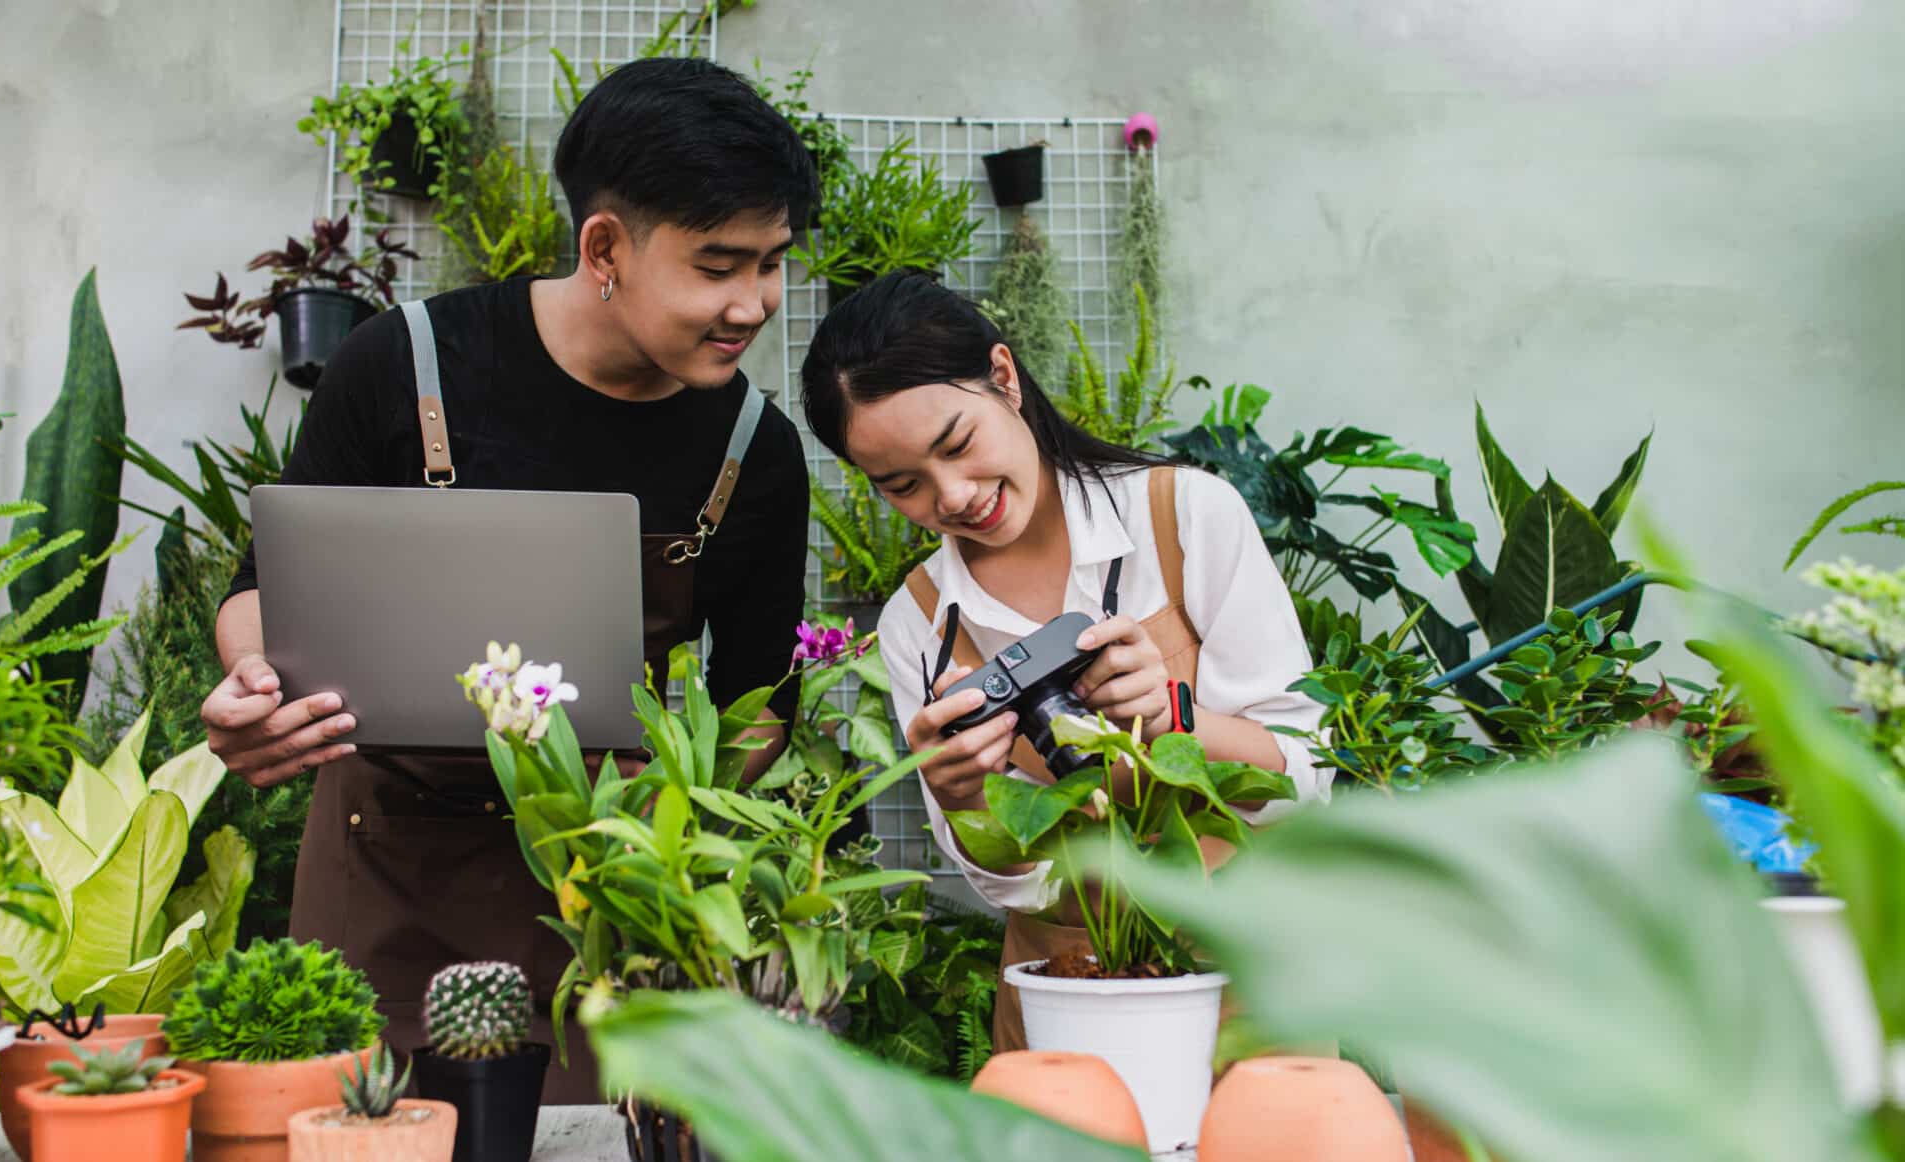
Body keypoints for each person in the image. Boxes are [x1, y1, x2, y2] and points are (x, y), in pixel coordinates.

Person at [198, 57, 817, 1100]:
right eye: (719, 265)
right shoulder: (407, 365)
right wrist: (258, 692)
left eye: (771, 263)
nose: (752, 303)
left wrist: (682, 843)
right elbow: (265, 589)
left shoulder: (751, 448)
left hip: (608, 911)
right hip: (383, 867)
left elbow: (760, 702)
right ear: (604, 247)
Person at [798, 271, 1328, 1049]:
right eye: (902, 485)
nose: (952, 497)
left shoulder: (1182, 518)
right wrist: (963, 798)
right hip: (1069, 1007)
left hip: (1251, 982)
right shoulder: (921, 622)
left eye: (957, 444)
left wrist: (1172, 718)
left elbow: (1303, 778)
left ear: (1005, 378)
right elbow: (1014, 887)